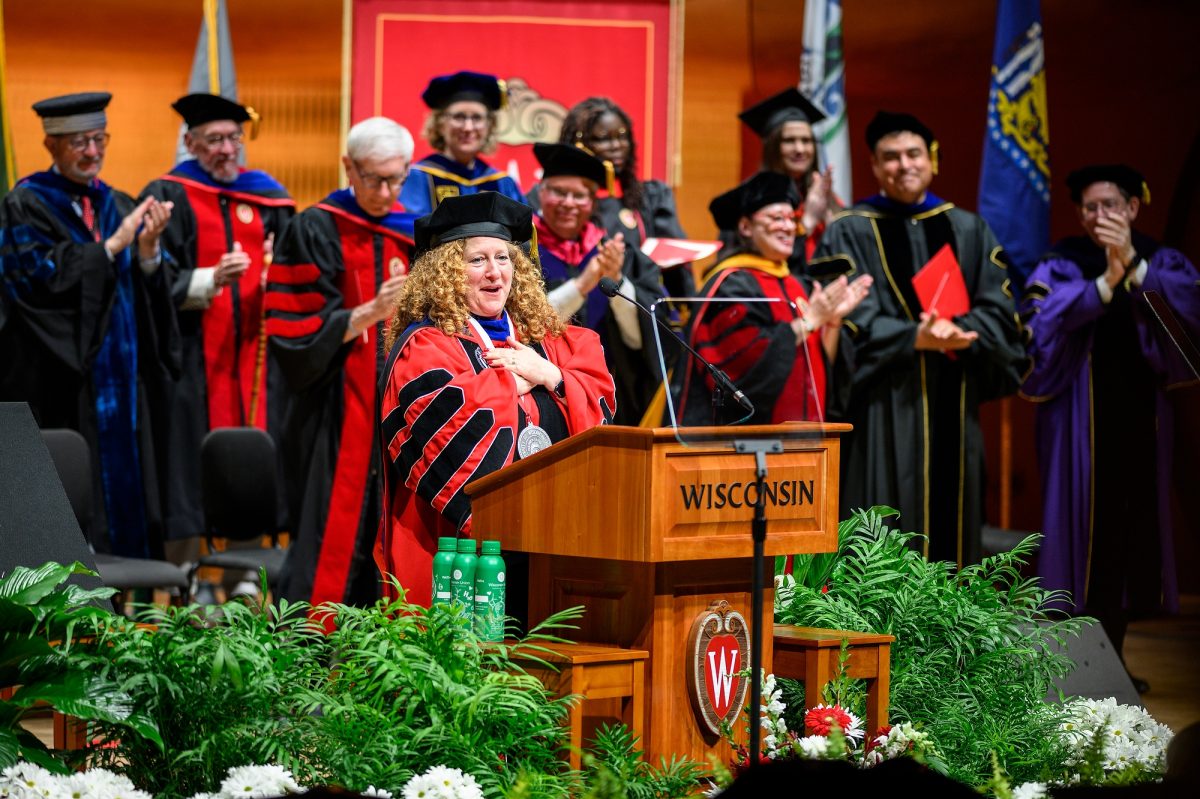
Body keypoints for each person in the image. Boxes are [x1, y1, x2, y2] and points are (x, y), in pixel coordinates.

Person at [376, 192, 615, 605]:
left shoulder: (549, 342)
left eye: (503, 258)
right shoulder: (427, 347)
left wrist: (552, 376)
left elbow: (601, 399)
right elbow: (448, 430)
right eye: (477, 260)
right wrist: (512, 384)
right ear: (446, 273)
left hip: (554, 544)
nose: (495, 273)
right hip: (460, 551)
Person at [814, 110, 1024, 567]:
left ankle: (952, 634)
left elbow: (999, 310)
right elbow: (843, 318)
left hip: (955, 399)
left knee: (955, 536)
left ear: (933, 161)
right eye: (890, 157)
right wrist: (913, 337)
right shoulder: (848, 229)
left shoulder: (969, 228)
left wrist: (961, 333)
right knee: (881, 528)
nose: (903, 165)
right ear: (873, 165)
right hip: (882, 406)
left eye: (914, 154)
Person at [1021, 165, 1199, 664]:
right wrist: (1103, 284)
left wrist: (1136, 271)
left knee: (1130, 545)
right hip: (1079, 426)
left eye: (1111, 206)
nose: (1100, 216)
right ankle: (1080, 668)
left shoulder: (1160, 259)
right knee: (1078, 543)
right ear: (1078, 213)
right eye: (1090, 208)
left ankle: (1116, 667)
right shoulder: (1062, 262)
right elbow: (1037, 327)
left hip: (1144, 422)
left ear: (1133, 208)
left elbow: (1191, 313)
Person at [0, 91, 178, 558]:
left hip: (123, 378)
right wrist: (110, 248)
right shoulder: (27, 203)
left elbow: (144, 290)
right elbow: (34, 282)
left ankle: (129, 606)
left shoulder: (115, 201)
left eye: (100, 139)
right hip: (64, 382)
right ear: (51, 146)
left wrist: (147, 252)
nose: (93, 152)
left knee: (127, 493)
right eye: (80, 141)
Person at [267, 117, 415, 609]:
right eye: (375, 178)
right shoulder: (313, 228)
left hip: (399, 410)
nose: (387, 191)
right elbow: (292, 331)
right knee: (327, 529)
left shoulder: (414, 231)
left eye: (398, 178)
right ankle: (309, 647)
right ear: (348, 168)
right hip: (331, 408)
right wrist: (368, 313)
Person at [139, 93, 295, 561]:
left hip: (257, 359)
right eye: (213, 140)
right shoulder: (168, 194)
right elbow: (146, 278)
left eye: (233, 138)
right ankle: (190, 575)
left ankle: (245, 571)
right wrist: (209, 279)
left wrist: (276, 277)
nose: (227, 149)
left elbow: (297, 269)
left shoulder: (268, 196)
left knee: (255, 453)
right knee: (187, 463)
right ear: (190, 143)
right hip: (189, 361)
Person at [674, 171, 871, 426]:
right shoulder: (732, 285)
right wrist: (809, 321)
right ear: (745, 227)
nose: (789, 227)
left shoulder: (798, 283)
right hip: (751, 443)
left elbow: (823, 367)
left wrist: (831, 322)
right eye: (777, 218)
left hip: (810, 439)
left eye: (792, 218)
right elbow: (742, 374)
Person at [531, 142, 668, 426]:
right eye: (558, 192)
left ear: (593, 203)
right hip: (541, 400)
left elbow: (639, 340)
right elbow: (521, 326)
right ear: (541, 193)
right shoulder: (519, 251)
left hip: (610, 400)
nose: (569, 203)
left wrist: (617, 282)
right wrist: (582, 285)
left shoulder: (616, 253)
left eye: (580, 196)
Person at [530, 96, 693, 298]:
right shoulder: (551, 202)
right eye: (603, 138)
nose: (616, 145)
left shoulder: (649, 197)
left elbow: (677, 267)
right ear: (578, 142)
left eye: (622, 136)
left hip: (634, 299)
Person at [397, 71, 523, 231]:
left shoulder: (503, 183)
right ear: (441, 124)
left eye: (477, 118)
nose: (468, 127)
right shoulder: (418, 178)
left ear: (489, 126)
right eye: (459, 117)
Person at [739, 88, 840, 277]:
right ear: (773, 147)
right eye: (789, 141)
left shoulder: (827, 198)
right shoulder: (750, 200)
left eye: (806, 140)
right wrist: (807, 222)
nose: (800, 149)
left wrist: (832, 224)